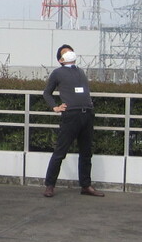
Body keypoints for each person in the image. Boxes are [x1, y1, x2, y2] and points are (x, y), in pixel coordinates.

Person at [41, 44, 105, 198]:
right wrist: (55, 107)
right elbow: (47, 93)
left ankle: (86, 185)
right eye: (65, 53)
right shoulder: (57, 73)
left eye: (70, 51)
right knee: (60, 152)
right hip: (71, 115)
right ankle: (50, 185)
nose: (70, 54)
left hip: (87, 114)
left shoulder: (80, 71)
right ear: (60, 59)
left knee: (86, 152)